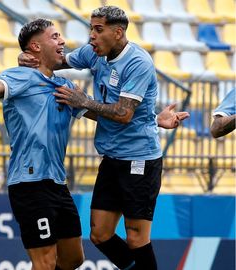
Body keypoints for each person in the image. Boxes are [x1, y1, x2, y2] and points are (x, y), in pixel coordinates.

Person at [46, 6, 186, 270]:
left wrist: (83, 101)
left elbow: (123, 114)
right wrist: (32, 58)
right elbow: (57, 62)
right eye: (91, 29)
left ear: (118, 32)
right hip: (112, 158)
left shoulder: (138, 63)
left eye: (98, 30)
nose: (91, 36)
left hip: (140, 160)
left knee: (136, 238)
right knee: (100, 234)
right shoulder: (94, 53)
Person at [0, 19, 85, 270]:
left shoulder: (66, 86)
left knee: (73, 258)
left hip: (58, 183)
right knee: (45, 261)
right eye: (55, 36)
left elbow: (100, 112)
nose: (62, 41)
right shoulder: (20, 76)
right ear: (36, 47)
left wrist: (153, 119)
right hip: (30, 183)